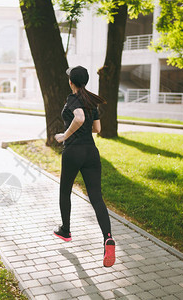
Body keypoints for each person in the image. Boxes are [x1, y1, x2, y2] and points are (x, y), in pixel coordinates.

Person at [53, 65, 115, 267]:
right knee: (96, 197)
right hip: (91, 152)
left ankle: (66, 230)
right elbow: (97, 128)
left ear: (71, 82)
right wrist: (83, 127)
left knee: (65, 191)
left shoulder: (73, 99)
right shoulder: (91, 101)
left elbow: (79, 118)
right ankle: (108, 237)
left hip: (73, 152)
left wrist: (64, 136)